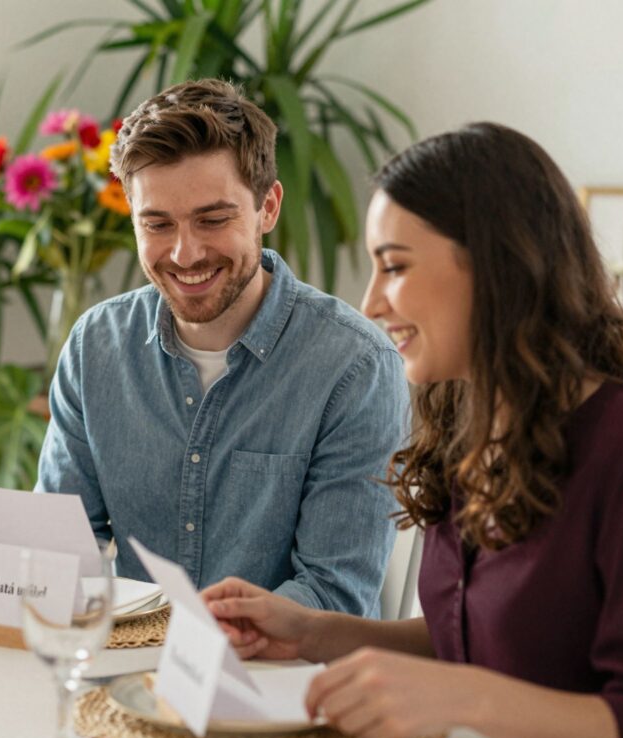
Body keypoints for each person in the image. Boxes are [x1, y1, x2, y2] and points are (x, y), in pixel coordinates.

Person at [203, 122, 623, 738]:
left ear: (499, 261)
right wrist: (313, 633)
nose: (369, 301)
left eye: (394, 265)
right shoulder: (462, 419)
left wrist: (463, 700)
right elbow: (474, 640)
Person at [36, 79, 409, 614]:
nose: (185, 254)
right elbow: (56, 551)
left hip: (285, 684)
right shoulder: (95, 345)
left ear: (268, 208)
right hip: (131, 671)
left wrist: (195, 646)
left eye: (213, 219)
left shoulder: (354, 366)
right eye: (158, 224)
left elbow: (334, 595)